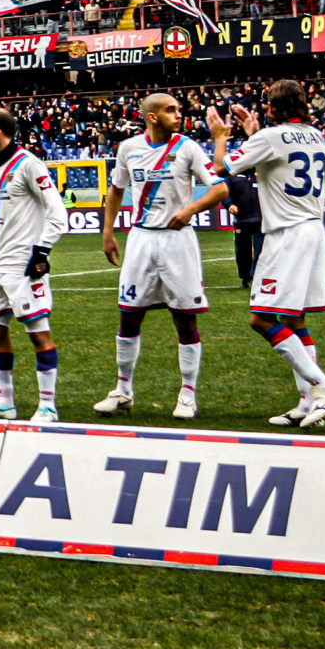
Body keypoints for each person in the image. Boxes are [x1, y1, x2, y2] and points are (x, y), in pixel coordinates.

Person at [208, 81, 325, 427]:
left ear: (272, 108)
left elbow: (221, 168)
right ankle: (307, 402)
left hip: (286, 234)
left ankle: (324, 388)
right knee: (294, 319)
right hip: (312, 230)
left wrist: (220, 136)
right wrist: (254, 133)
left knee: (261, 318)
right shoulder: (316, 135)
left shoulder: (270, 137)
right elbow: (278, 158)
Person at [95, 92, 215, 420]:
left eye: (179, 109)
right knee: (129, 315)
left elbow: (220, 188)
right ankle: (122, 391)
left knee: (185, 318)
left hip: (178, 241)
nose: (179, 114)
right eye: (171, 110)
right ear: (152, 116)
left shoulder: (187, 148)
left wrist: (189, 210)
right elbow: (116, 189)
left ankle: (187, 395)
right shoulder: (128, 148)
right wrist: (108, 232)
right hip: (141, 240)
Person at [0, 110, 67, 423]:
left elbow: (57, 213)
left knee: (38, 332)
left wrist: (41, 252)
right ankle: (4, 403)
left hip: (22, 266)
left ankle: (47, 406)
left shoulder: (29, 165)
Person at [226, 171, 266, 287]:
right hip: (242, 220)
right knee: (242, 251)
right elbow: (225, 193)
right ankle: (245, 277)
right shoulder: (232, 177)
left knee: (260, 250)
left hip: (260, 219)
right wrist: (229, 205)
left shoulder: (262, 174)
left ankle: (255, 276)